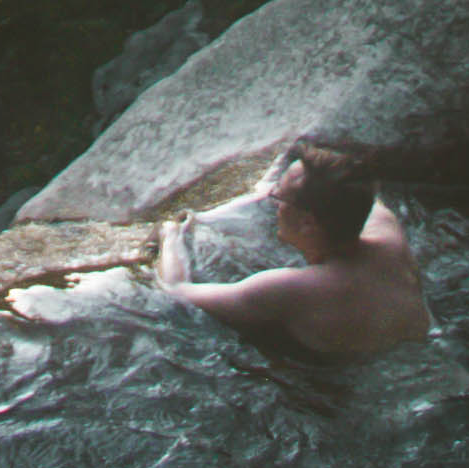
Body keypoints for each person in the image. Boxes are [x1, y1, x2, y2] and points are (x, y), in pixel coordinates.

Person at [151, 137, 429, 358]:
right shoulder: (388, 233)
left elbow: (176, 290)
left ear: (307, 223)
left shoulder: (290, 290)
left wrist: (170, 234)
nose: (272, 203)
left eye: (278, 197)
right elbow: (357, 189)